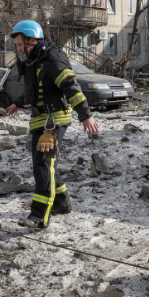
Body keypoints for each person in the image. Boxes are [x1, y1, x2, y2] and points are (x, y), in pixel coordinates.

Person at [6, 20, 99, 229]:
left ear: (32, 40)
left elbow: (70, 86)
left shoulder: (53, 57)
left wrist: (85, 115)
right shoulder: (34, 60)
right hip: (40, 118)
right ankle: (61, 203)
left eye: (20, 45)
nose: (19, 49)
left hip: (54, 119)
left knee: (42, 164)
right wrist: (18, 103)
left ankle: (39, 216)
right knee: (48, 165)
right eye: (17, 45)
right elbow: (35, 89)